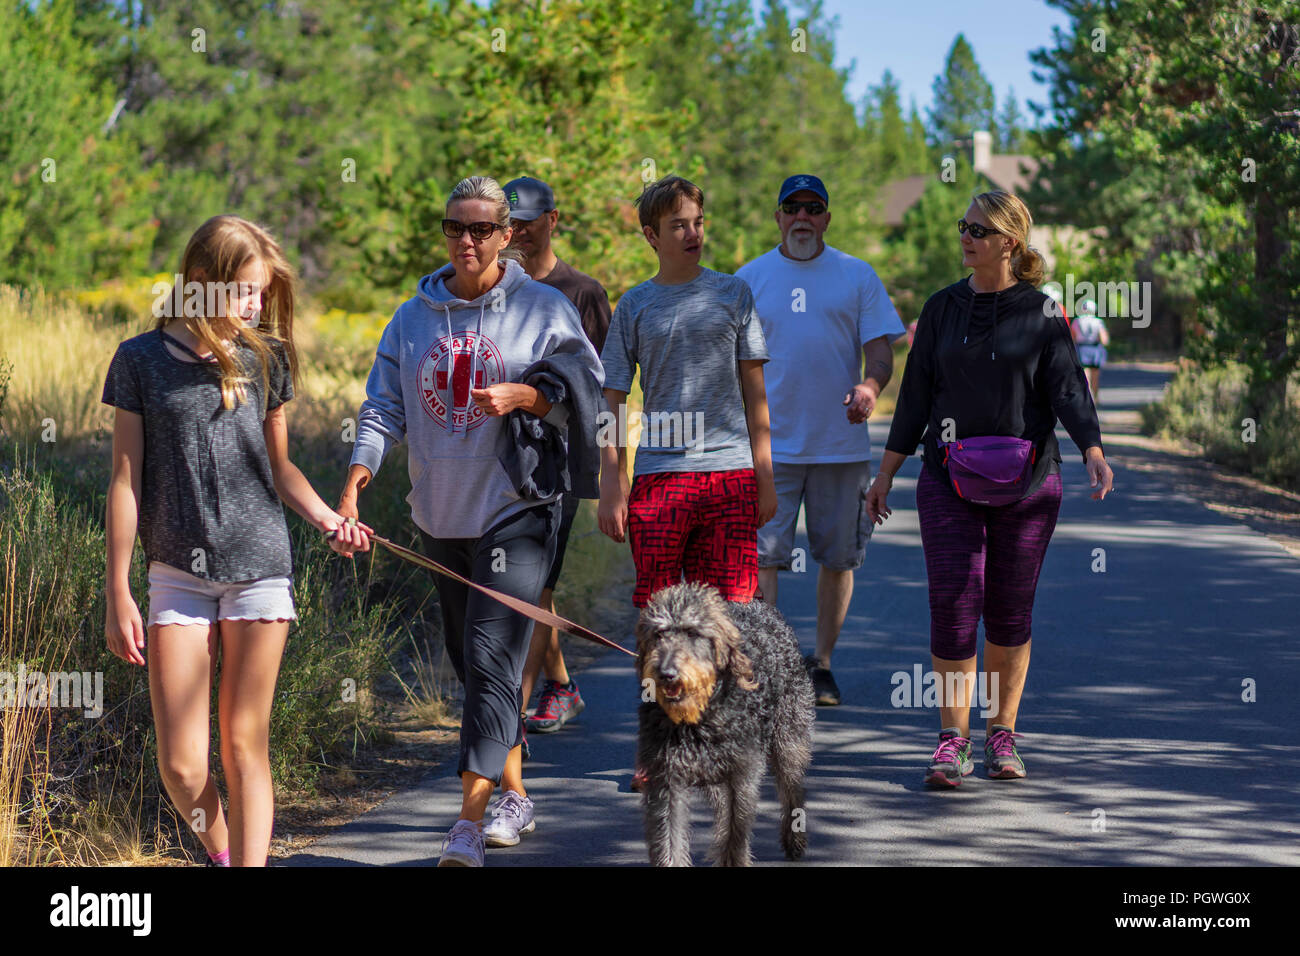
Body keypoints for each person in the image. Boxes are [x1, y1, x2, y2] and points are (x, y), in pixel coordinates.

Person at [335, 176, 603, 866]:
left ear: (508, 235)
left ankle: (466, 825)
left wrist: (524, 396)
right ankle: (514, 791)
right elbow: (383, 406)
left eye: (482, 229)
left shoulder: (543, 308)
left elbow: (586, 398)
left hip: (518, 508)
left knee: (490, 660)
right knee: (476, 664)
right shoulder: (411, 318)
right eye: (456, 227)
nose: (467, 240)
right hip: (439, 514)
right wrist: (359, 476)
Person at [103, 215, 369, 867]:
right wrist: (117, 589)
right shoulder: (139, 361)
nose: (255, 306)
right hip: (176, 573)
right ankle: (223, 855)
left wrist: (329, 519)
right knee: (183, 766)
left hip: (259, 567)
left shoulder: (263, 357)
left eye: (261, 293)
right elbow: (125, 479)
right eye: (245, 292)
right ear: (200, 282)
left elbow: (280, 469)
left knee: (244, 742)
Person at [865, 190, 1113, 788]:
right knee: (953, 607)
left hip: (1029, 484)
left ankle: (1002, 733)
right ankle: (953, 741)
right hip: (948, 479)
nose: (966, 236)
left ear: (1010, 242)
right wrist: (886, 472)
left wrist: (1093, 450)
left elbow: (1068, 390)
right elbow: (916, 399)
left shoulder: (1045, 313)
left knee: (1009, 609)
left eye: (979, 228)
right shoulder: (941, 309)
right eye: (963, 226)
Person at [598, 175, 777, 789]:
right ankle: (657, 748)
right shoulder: (634, 305)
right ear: (652, 235)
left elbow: (756, 389)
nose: (693, 233)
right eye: (679, 225)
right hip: (660, 482)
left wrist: (765, 475)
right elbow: (614, 398)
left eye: (698, 222)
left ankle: (728, 743)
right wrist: (612, 481)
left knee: (733, 619)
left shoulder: (735, 293)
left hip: (729, 476)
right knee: (658, 626)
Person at [737, 174, 905, 705]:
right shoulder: (749, 279)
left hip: (841, 446)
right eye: (793, 207)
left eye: (814, 207)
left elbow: (882, 352)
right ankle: (770, 668)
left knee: (838, 558)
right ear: (779, 217)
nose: (803, 216)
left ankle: (823, 664)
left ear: (827, 217)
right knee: (763, 559)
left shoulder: (856, 275)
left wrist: (870, 385)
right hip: (769, 449)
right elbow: (731, 365)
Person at [503, 175, 612, 743]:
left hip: (559, 460)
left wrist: (609, 473)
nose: (516, 233)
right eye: (509, 223)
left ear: (553, 220)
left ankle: (511, 719)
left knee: (534, 580)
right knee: (530, 584)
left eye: (526, 222)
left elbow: (600, 389)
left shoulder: (582, 292)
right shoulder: (494, 289)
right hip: (498, 459)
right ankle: (560, 683)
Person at [1072, 298, 1109, 399]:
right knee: (1095, 377)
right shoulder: (1098, 322)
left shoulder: (1077, 321)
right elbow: (1104, 340)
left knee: (1085, 375)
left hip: (1082, 349)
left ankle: (1087, 398)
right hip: (1095, 349)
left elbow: (1073, 338)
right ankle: (1096, 398)